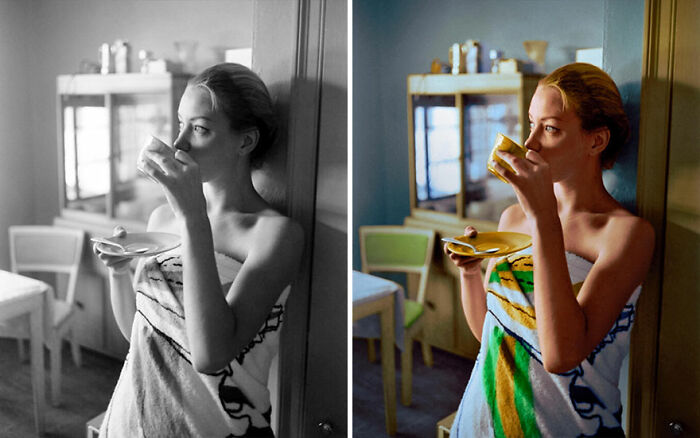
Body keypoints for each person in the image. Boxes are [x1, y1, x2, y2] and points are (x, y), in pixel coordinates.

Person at [93, 63, 304, 437]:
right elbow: (142, 337)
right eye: (180, 123)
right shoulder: (162, 218)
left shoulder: (275, 235)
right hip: (134, 419)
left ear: (245, 142)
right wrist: (117, 270)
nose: (179, 143)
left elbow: (211, 356)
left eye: (200, 128)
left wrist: (193, 216)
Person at [446, 63, 654, 437]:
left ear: (596, 141)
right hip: (482, 421)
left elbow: (561, 356)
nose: (530, 144)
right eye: (531, 124)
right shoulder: (513, 218)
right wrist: (470, 272)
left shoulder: (626, 235)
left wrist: (544, 217)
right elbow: (492, 334)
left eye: (551, 129)